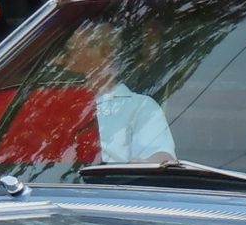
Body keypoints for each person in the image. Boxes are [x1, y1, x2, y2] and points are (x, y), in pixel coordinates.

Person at [62, 21, 174, 165]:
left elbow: (159, 160)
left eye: (71, 52)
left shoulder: (141, 107)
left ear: (106, 51)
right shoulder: (57, 104)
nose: (61, 62)